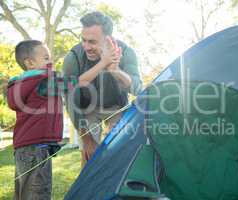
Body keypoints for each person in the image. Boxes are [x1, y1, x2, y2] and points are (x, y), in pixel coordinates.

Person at [7, 39, 119, 200]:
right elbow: (80, 81)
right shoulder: (43, 82)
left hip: (23, 150)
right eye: (46, 58)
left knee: (23, 193)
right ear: (30, 63)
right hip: (36, 151)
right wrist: (104, 62)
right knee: (38, 193)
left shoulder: (23, 84)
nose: (51, 62)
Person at [62, 11, 142, 167]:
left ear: (108, 40)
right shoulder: (73, 57)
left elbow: (138, 88)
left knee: (119, 151)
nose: (86, 47)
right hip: (86, 108)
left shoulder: (126, 52)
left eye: (92, 42)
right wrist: (86, 139)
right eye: (83, 40)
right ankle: (88, 189)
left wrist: (116, 71)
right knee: (89, 156)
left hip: (116, 106)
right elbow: (70, 99)